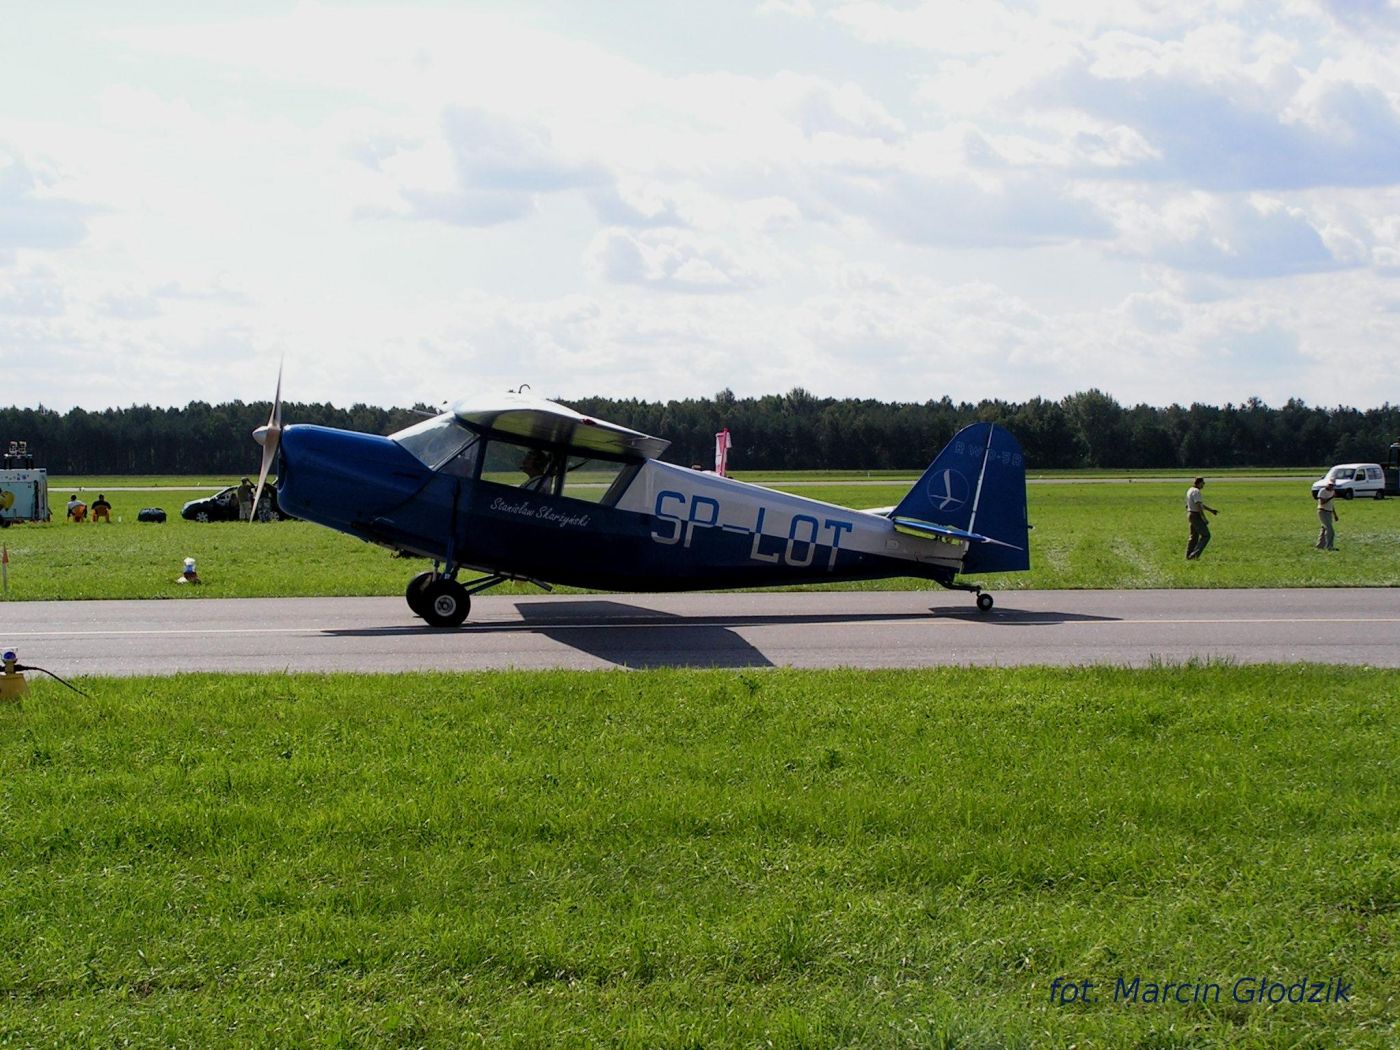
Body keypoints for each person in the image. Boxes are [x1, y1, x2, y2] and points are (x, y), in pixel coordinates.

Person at [1185, 477, 1218, 560]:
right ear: (1199, 483)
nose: (1204, 485)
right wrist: (1204, 518)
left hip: (1190, 514)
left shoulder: (1190, 490)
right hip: (1196, 515)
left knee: (1193, 536)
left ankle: (1188, 556)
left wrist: (1211, 510)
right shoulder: (1196, 492)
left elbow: (1195, 504)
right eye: (1203, 483)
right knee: (1206, 535)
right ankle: (1194, 555)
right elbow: (1199, 506)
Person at [1316, 480, 1339, 551]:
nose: (1331, 487)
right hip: (1322, 511)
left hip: (1329, 512)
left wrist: (1335, 514)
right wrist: (1331, 497)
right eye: (1330, 485)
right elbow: (1322, 502)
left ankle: (1320, 545)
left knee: (1324, 528)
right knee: (1330, 530)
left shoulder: (1332, 492)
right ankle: (1329, 546)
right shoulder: (1322, 491)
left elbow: (1331, 504)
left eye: (1332, 485)